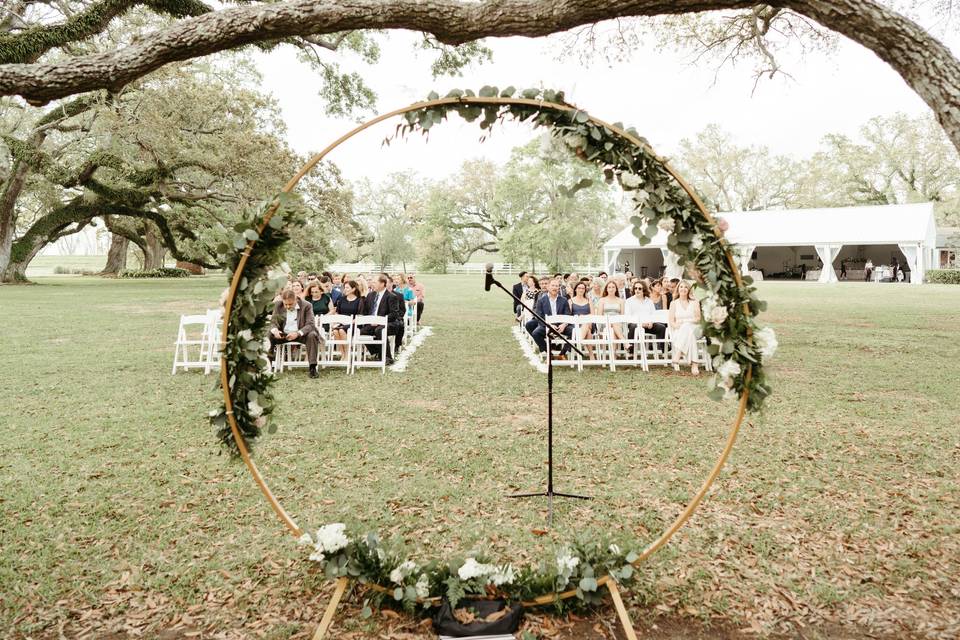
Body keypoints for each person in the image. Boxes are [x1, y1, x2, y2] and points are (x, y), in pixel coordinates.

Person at [270, 289, 321, 378]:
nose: (287, 307)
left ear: (296, 300)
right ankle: (267, 367)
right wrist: (275, 330)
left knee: (312, 335)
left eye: (290, 304)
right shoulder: (278, 305)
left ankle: (312, 368)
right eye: (285, 304)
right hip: (283, 334)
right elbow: (273, 322)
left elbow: (311, 324)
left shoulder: (307, 305)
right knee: (269, 335)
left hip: (301, 334)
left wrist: (297, 333)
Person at [363, 274, 403, 365]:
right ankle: (377, 352)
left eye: (374, 282)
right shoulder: (370, 295)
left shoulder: (391, 296)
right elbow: (366, 312)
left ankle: (387, 357)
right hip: (372, 323)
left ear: (382, 284)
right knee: (360, 332)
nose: (372, 284)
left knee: (379, 330)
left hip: (389, 323)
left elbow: (394, 314)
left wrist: (379, 321)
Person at [529, 279, 573, 356]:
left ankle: (562, 353)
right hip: (547, 325)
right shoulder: (541, 300)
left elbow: (568, 314)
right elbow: (539, 317)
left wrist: (563, 325)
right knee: (536, 333)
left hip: (560, 326)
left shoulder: (564, 300)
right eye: (553, 285)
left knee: (574, 332)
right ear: (548, 287)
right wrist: (548, 325)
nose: (555, 288)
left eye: (557, 286)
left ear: (559, 288)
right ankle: (549, 353)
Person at [669, 280, 701, 375]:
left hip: (694, 328)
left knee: (688, 327)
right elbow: (671, 321)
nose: (683, 289)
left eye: (686, 287)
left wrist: (685, 322)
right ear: (678, 289)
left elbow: (698, 319)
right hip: (679, 331)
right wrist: (676, 326)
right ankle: (694, 364)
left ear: (689, 290)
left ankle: (678, 352)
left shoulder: (694, 302)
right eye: (681, 287)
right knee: (688, 332)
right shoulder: (674, 303)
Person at [331, 280, 364, 362]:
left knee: (342, 330)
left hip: (353, 323)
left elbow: (360, 315)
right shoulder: (342, 299)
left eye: (347, 288)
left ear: (353, 289)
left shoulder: (360, 300)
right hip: (341, 323)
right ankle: (343, 354)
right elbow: (338, 313)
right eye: (344, 288)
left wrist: (349, 322)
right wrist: (336, 322)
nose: (345, 289)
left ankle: (347, 353)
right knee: (335, 331)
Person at [625, 280, 658, 348]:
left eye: (640, 288)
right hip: (635, 324)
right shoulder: (629, 301)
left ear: (644, 290)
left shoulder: (649, 301)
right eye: (635, 288)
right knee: (632, 326)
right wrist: (641, 324)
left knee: (662, 327)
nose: (637, 290)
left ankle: (662, 349)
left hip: (648, 325)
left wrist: (651, 322)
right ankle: (631, 351)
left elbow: (653, 314)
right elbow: (628, 317)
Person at [569, 281, 595, 358]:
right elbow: (570, 315)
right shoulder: (571, 301)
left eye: (583, 288)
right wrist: (578, 318)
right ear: (575, 290)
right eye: (579, 288)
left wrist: (583, 317)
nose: (581, 290)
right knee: (588, 331)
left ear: (585, 290)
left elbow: (593, 314)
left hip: (589, 322)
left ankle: (578, 342)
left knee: (586, 324)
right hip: (576, 324)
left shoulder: (588, 300)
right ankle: (591, 354)